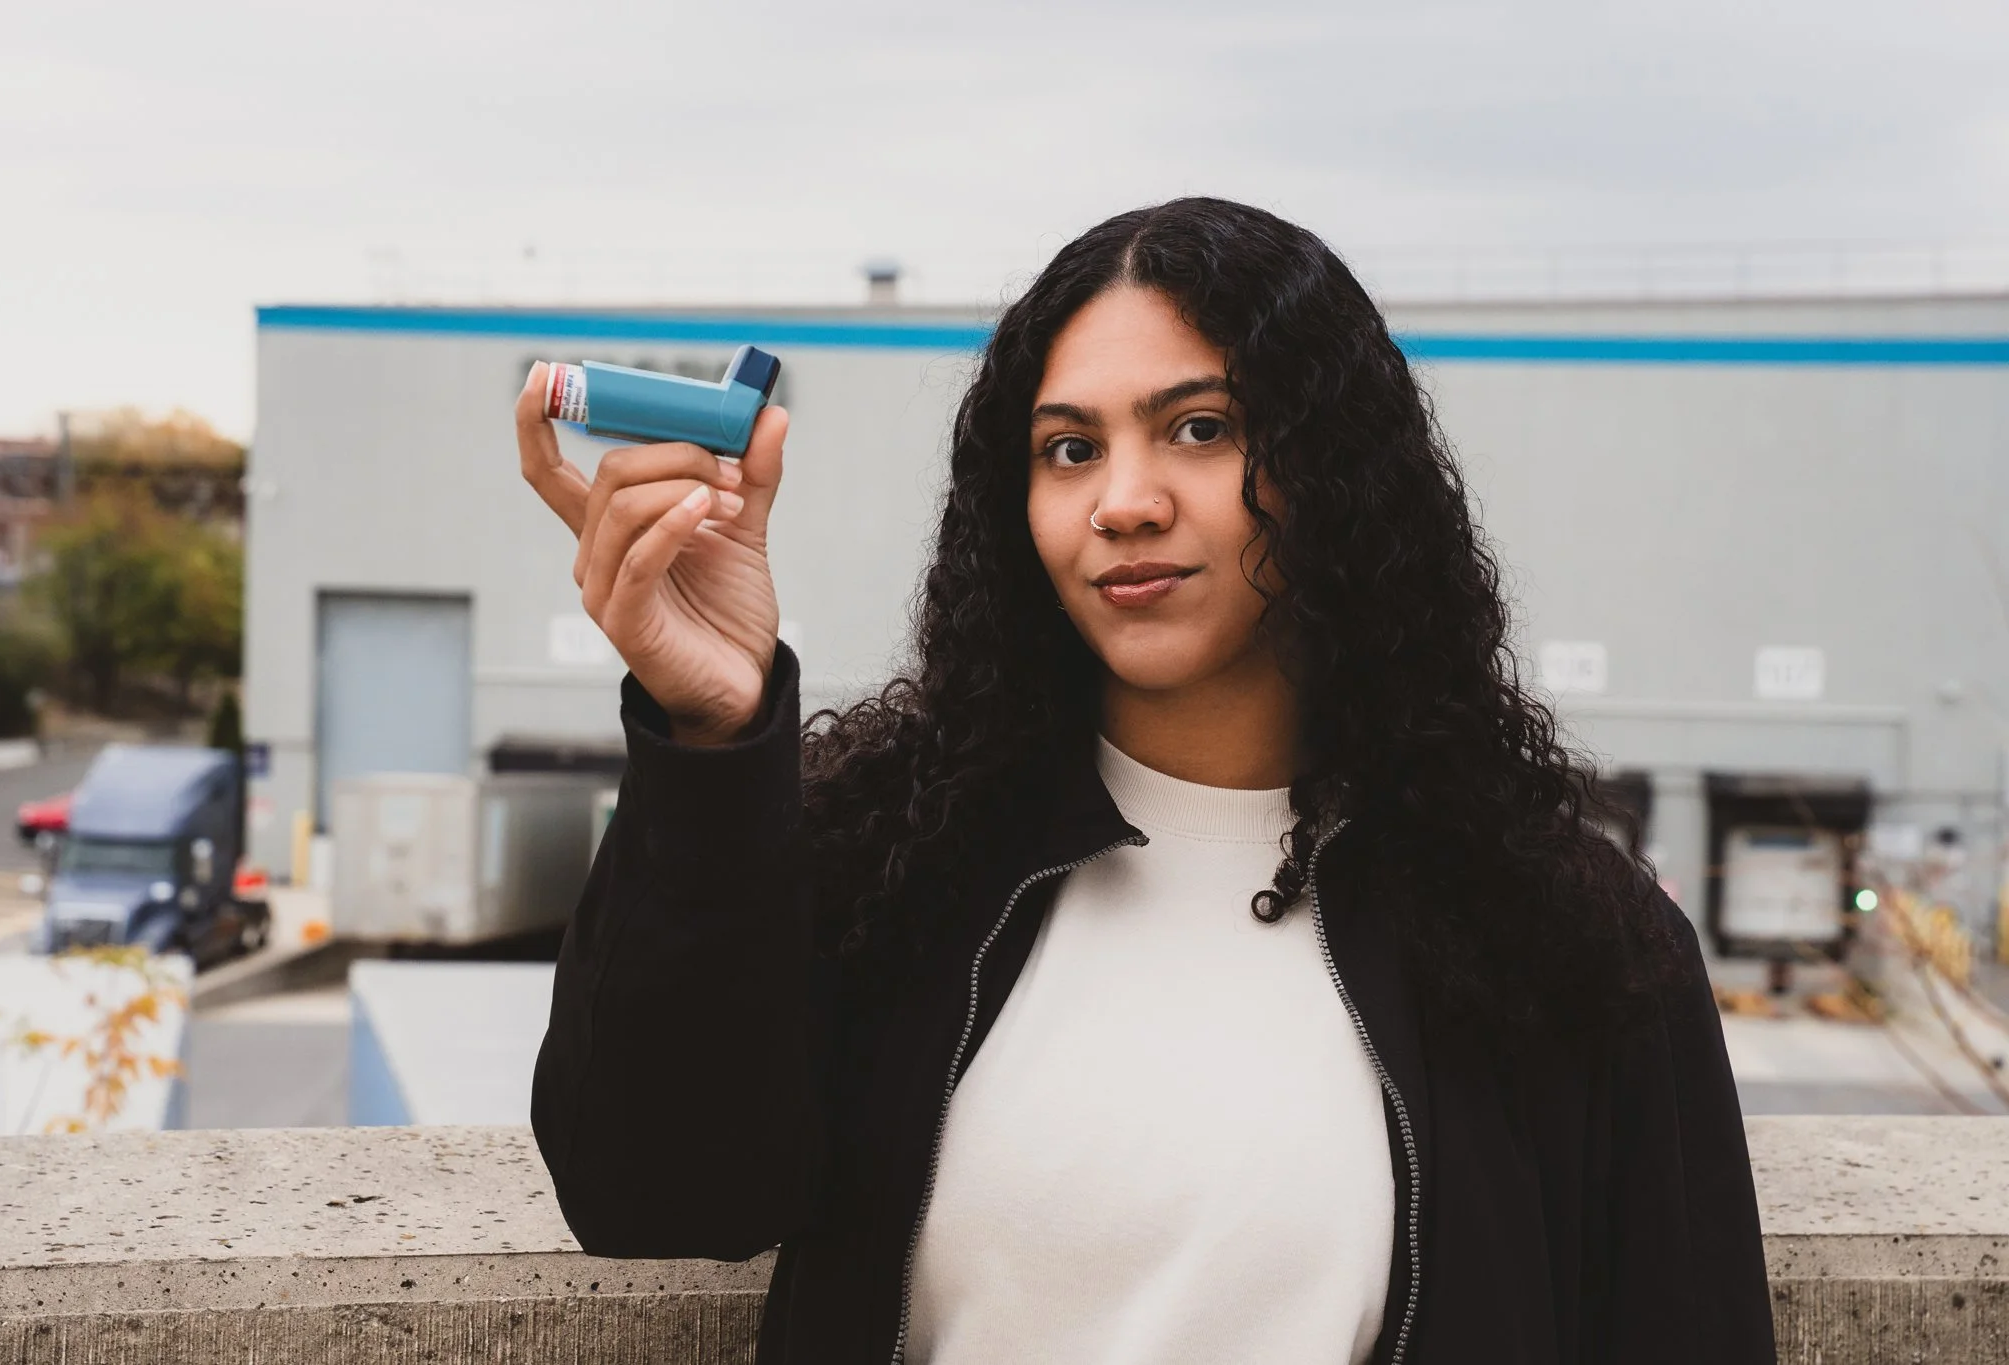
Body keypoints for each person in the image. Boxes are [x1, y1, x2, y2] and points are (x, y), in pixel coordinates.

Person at [522, 197, 1775, 1365]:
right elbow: (654, 1191)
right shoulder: (902, 864)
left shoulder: (1569, 943)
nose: (1121, 503)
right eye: (1067, 450)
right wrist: (713, 733)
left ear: (1335, 468)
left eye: (1200, 428)